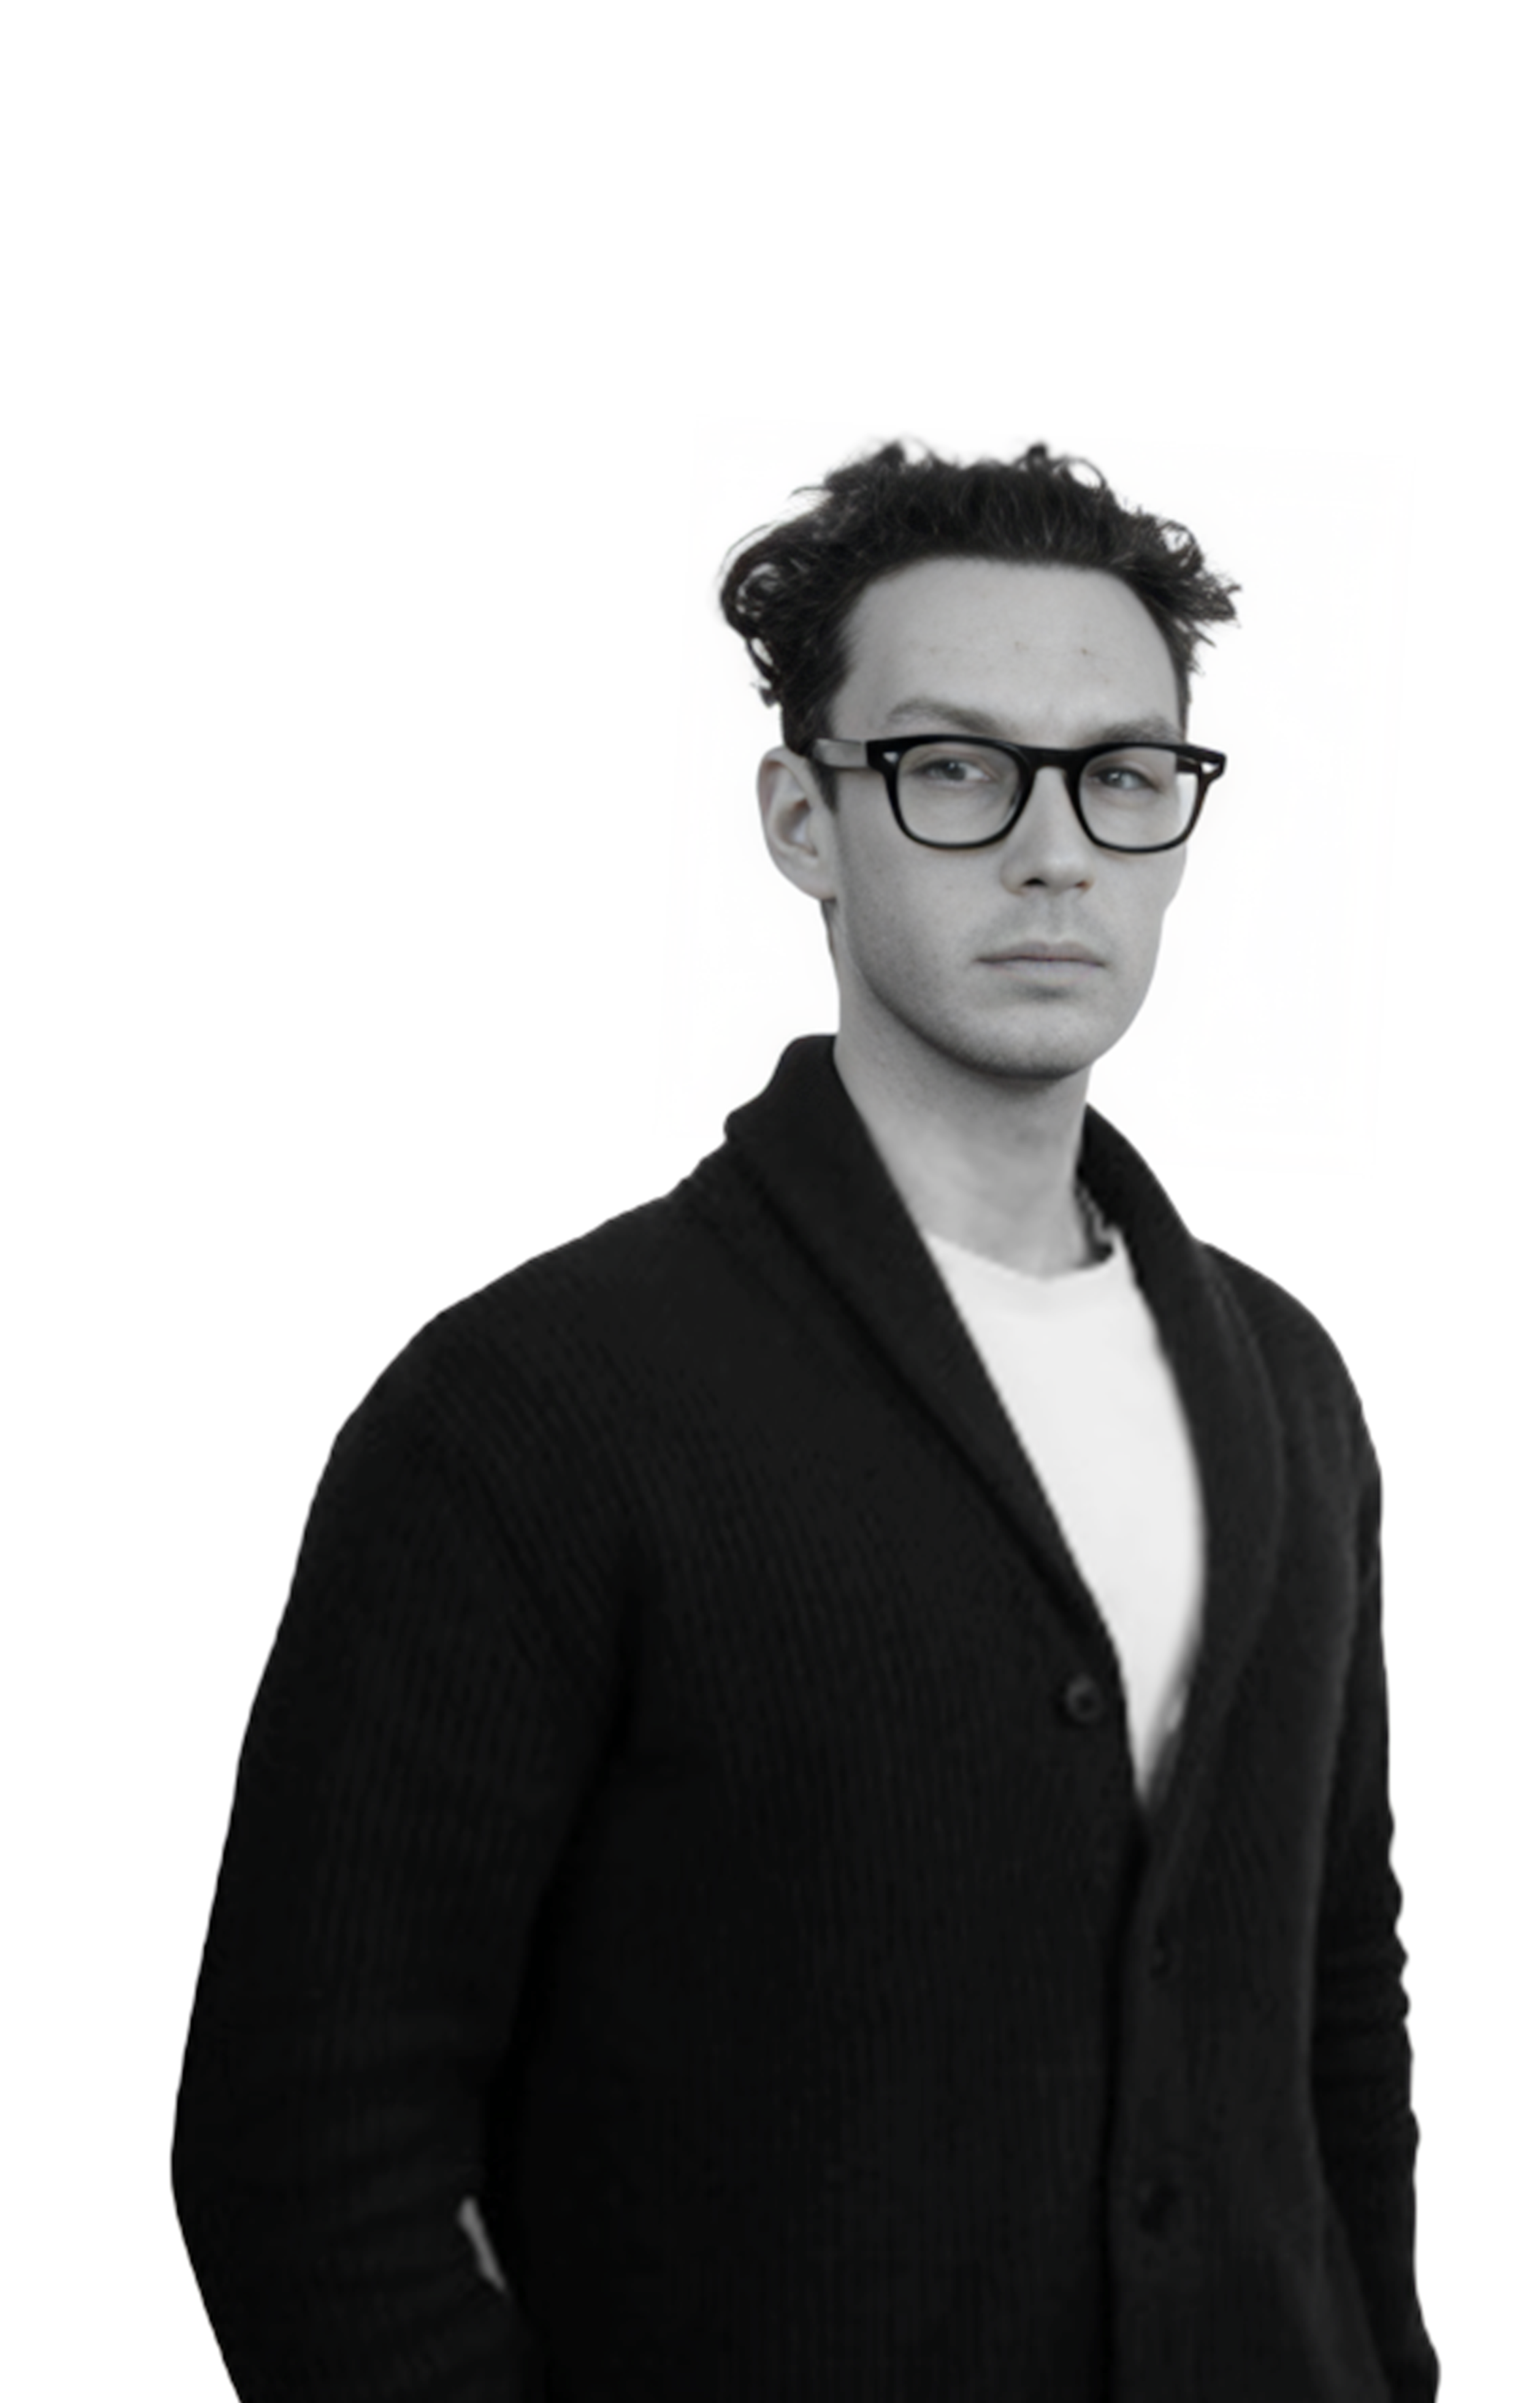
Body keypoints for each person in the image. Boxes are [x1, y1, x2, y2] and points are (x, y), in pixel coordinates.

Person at [173, 441, 1440, 2402]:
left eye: (1118, 772)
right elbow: (304, 2133)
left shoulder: (1281, 1383)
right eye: (951, 768)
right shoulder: (540, 1405)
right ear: (801, 816)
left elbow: (1327, 2009)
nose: (1050, 849)